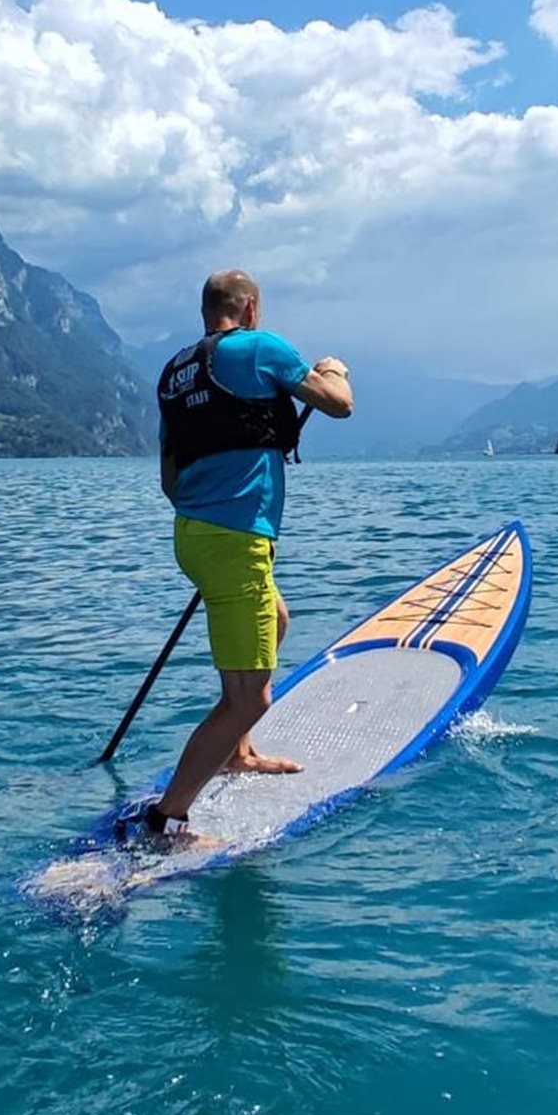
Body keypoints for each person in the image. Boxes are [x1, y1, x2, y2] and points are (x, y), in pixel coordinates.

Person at [129, 269, 354, 840]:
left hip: (194, 535)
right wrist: (334, 369)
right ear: (251, 308)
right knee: (251, 698)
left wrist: (213, 512)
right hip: (235, 541)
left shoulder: (176, 373)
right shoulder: (261, 348)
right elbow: (339, 405)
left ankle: (238, 752)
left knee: (275, 620)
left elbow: (170, 478)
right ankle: (166, 821)